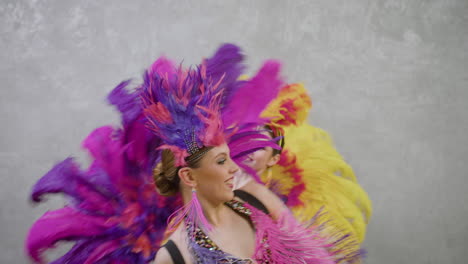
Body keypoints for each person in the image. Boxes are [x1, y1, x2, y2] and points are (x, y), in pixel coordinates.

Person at [25, 44, 338, 264]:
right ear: (188, 176)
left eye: (229, 156)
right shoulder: (171, 254)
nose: (235, 168)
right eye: (221, 161)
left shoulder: (255, 197)